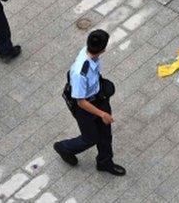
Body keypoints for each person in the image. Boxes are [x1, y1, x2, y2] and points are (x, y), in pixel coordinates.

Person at [53, 29, 125, 176]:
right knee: (90, 138)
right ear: (103, 49)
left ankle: (105, 163)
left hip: (98, 98)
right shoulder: (81, 73)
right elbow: (81, 102)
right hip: (85, 108)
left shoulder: (90, 53)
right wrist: (102, 114)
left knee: (105, 134)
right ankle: (65, 147)